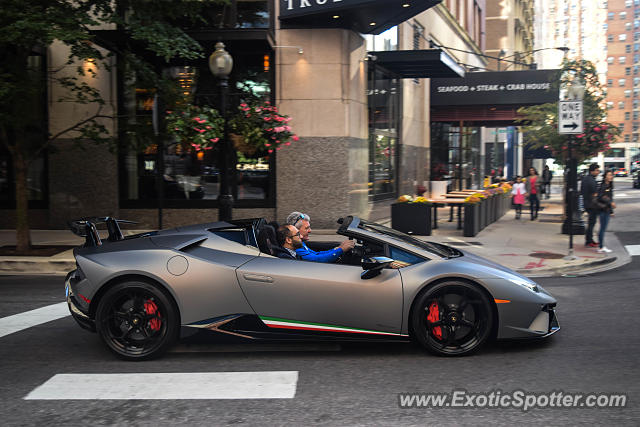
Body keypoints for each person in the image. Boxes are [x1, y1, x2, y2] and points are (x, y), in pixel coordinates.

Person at [285, 211, 355, 262]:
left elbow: (316, 254)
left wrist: (337, 249)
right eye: (306, 228)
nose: (310, 231)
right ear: (295, 230)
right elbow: (317, 259)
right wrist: (341, 250)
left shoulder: (300, 243)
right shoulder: (295, 246)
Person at [596, 170, 616, 253]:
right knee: (602, 229)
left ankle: (601, 246)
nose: (611, 176)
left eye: (611, 175)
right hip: (603, 210)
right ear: (605, 177)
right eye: (609, 175)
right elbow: (600, 197)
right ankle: (601, 247)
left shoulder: (609, 185)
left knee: (603, 228)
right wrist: (610, 202)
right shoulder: (604, 185)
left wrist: (611, 211)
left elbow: (609, 198)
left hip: (606, 210)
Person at [581, 163, 601, 248]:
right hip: (592, 205)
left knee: (591, 223)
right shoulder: (591, 180)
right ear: (592, 171)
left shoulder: (586, 179)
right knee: (591, 223)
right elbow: (595, 193)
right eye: (596, 170)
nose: (598, 172)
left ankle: (589, 240)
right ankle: (589, 241)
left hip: (587, 204)